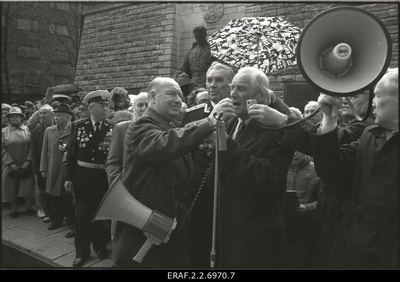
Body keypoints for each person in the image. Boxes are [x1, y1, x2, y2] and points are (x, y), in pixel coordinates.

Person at [111, 77, 235, 268]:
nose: (179, 99)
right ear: (152, 96)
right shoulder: (141, 125)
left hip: (166, 230)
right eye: (171, 93)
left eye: (180, 94)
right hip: (146, 231)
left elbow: (179, 137)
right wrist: (210, 121)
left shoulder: (168, 125)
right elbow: (164, 144)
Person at [192, 66, 295, 267]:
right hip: (223, 232)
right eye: (232, 88)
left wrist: (226, 144)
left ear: (261, 98)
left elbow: (266, 178)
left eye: (241, 88)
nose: (232, 94)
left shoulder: (277, 130)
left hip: (252, 239)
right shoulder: (232, 121)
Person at [308, 68, 398, 268]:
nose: (373, 102)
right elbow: (330, 169)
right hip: (348, 244)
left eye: (379, 95)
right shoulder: (370, 134)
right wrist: (329, 119)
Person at [65, 90, 114, 267]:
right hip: (82, 179)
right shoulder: (78, 126)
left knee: (102, 216)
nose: (106, 110)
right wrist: (68, 178)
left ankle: (100, 246)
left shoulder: (111, 128)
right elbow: (71, 155)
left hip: (102, 179)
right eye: (102, 107)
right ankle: (82, 252)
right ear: (92, 108)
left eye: (107, 106)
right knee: (82, 217)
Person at [40, 103, 74, 231]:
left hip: (67, 169)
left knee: (67, 196)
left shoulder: (74, 130)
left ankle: (71, 220)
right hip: (53, 168)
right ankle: (56, 220)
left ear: (68, 117)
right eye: (55, 115)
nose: (56, 118)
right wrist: (43, 168)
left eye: (59, 116)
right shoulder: (49, 130)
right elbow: (44, 150)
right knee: (54, 196)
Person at [285, 151, 320, 268]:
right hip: (281, 225)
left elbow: (323, 201)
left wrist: (306, 208)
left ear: (306, 151)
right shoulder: (282, 166)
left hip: (304, 229)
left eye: (298, 151)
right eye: (292, 150)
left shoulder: (316, 170)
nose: (294, 154)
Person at [2, 107, 36, 218]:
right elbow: (2, 149)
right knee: (11, 186)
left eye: (17, 116)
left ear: (22, 117)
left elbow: (32, 147)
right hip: (10, 163)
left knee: (26, 185)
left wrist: (28, 161)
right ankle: (14, 209)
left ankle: (29, 207)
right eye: (12, 116)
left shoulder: (27, 130)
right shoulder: (4, 132)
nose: (14, 118)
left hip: (25, 161)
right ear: (9, 119)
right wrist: (11, 163)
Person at [31, 105, 54, 220]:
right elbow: (33, 151)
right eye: (40, 113)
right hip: (40, 162)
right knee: (40, 188)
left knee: (52, 187)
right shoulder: (36, 130)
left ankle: (52, 209)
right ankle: (41, 208)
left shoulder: (56, 128)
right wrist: (35, 168)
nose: (42, 115)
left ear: (52, 115)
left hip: (53, 163)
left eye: (45, 113)